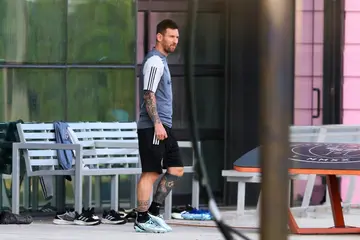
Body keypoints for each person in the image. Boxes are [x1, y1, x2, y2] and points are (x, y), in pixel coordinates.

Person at [134, 19, 183, 233]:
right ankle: (142, 219)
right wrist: (156, 123)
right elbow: (148, 94)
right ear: (159, 36)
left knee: (176, 169)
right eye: (171, 36)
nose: (175, 41)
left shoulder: (162, 61)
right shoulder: (154, 61)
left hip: (165, 126)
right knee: (151, 172)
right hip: (154, 126)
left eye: (177, 37)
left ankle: (153, 211)